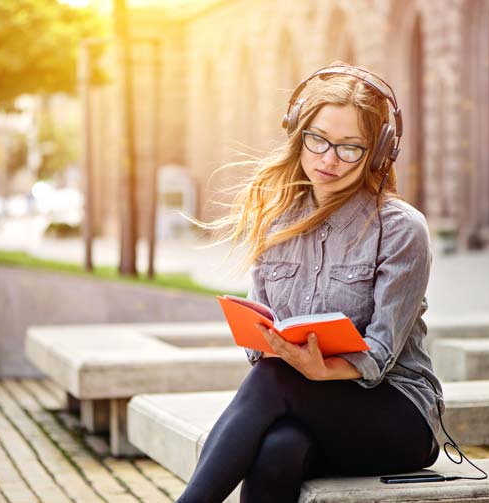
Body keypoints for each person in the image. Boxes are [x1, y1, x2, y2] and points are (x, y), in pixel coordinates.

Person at [177, 63, 443, 503]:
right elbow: (257, 338)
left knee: (272, 377)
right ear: (297, 135)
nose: (328, 159)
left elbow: (378, 356)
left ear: (377, 154)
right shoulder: (277, 219)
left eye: (349, 148)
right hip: (304, 403)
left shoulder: (401, 229)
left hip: (398, 414)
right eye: (317, 139)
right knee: (278, 449)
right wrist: (275, 345)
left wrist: (321, 368)